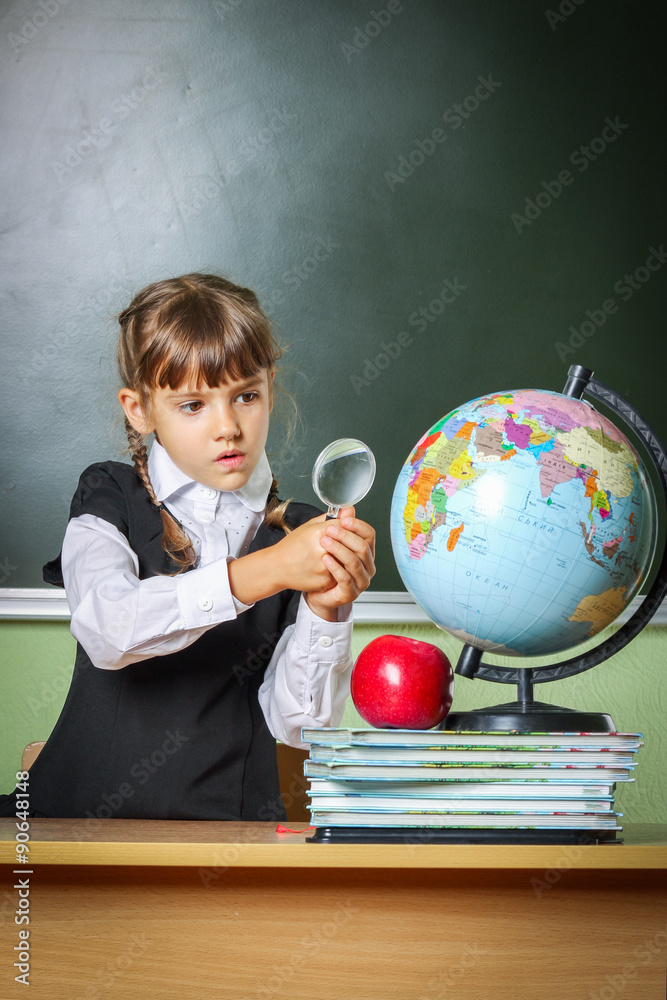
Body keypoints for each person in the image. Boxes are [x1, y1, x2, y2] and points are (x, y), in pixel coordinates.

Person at [0, 273, 375, 821]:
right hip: (76, 832)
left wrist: (327, 611)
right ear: (140, 409)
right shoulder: (109, 493)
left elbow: (301, 727)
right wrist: (264, 571)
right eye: (193, 405)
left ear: (271, 387)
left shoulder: (298, 530)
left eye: (246, 395)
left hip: (232, 843)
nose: (228, 427)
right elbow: (109, 629)